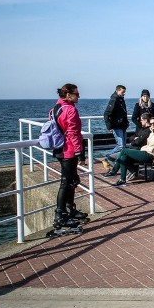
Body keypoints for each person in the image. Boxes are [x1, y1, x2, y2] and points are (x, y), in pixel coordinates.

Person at [51, 83, 87, 232]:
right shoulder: (70, 110)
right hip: (69, 150)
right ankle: (60, 215)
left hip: (60, 149)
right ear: (68, 95)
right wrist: (79, 152)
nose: (78, 96)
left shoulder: (55, 109)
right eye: (76, 94)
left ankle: (70, 209)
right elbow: (73, 132)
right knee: (66, 182)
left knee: (71, 181)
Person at [111, 116, 154, 187]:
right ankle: (122, 180)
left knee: (124, 151)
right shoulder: (152, 133)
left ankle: (114, 171)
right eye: (151, 123)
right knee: (123, 157)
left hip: (150, 155)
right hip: (144, 152)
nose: (152, 125)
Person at [103, 112, 152, 180]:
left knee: (121, 155)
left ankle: (126, 172)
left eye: (141, 120)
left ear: (145, 120)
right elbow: (131, 138)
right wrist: (135, 139)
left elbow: (139, 141)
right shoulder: (141, 129)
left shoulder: (148, 131)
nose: (140, 121)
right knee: (110, 157)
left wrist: (135, 140)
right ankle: (130, 171)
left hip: (137, 150)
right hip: (131, 149)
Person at [103, 84, 129, 159]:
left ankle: (119, 162)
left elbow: (123, 112)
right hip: (117, 125)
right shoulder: (114, 99)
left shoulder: (121, 99)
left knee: (123, 147)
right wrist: (109, 127)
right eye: (122, 92)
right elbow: (106, 113)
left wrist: (126, 122)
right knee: (120, 146)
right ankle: (107, 158)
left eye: (124, 92)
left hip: (123, 125)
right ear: (117, 91)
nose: (124, 94)